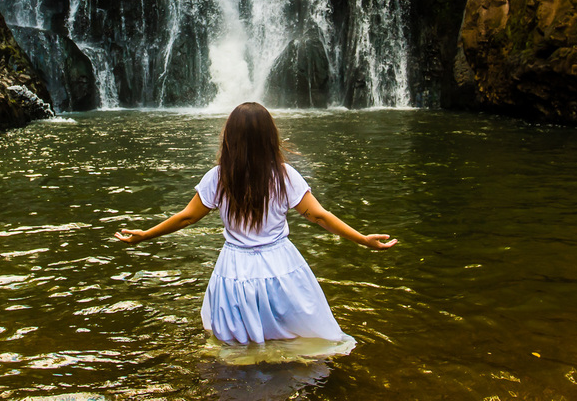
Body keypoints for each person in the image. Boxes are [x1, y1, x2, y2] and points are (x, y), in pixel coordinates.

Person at [115, 102, 397, 346]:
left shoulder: (218, 177)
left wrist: (145, 235)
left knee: (238, 342)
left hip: (235, 267)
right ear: (270, 137)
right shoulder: (284, 176)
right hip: (281, 264)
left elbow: (187, 217)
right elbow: (319, 216)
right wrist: (363, 239)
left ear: (230, 138)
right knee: (295, 334)